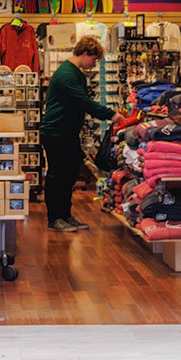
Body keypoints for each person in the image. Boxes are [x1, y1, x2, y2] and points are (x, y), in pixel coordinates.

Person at [40, 35, 115, 231]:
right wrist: (111, 115)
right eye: (94, 59)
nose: (94, 64)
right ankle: (55, 219)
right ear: (84, 54)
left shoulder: (74, 72)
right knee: (58, 176)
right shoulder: (67, 75)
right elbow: (83, 102)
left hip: (66, 132)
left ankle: (64, 215)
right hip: (57, 133)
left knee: (69, 174)